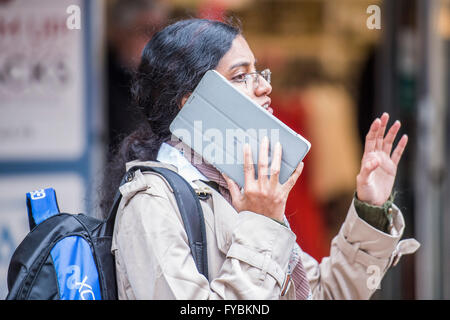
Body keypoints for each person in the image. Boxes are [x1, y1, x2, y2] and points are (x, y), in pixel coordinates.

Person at [100, 18, 420, 300]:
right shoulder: (151, 201)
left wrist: (370, 209)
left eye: (259, 72)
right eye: (241, 76)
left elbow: (326, 293)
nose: (265, 86)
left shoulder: (236, 188)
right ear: (192, 103)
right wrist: (260, 224)